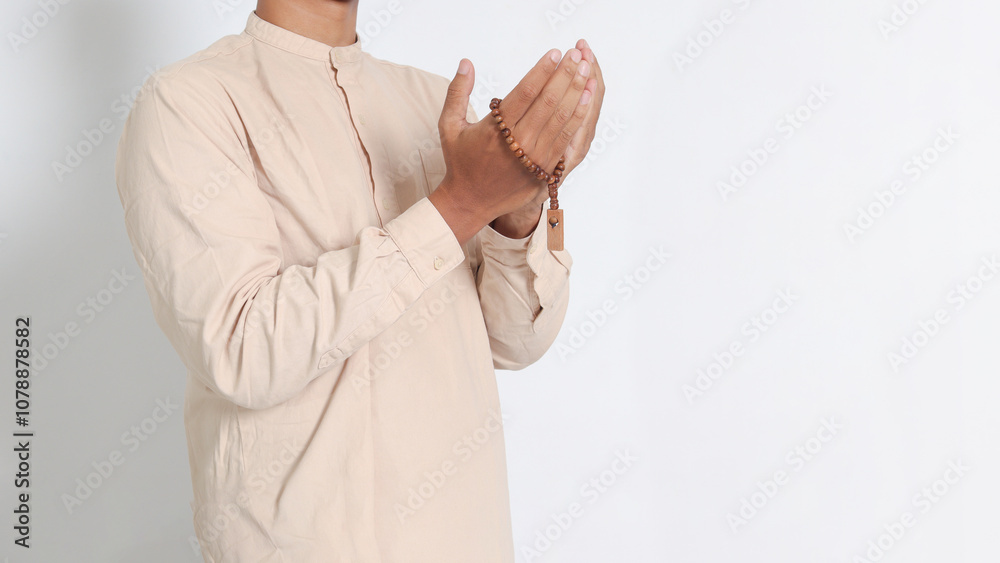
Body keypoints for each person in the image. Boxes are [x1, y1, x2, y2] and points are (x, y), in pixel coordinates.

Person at [114, 0, 605, 560]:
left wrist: (519, 203)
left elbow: (514, 341)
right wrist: (462, 203)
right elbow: (241, 351)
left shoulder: (431, 102)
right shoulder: (188, 103)